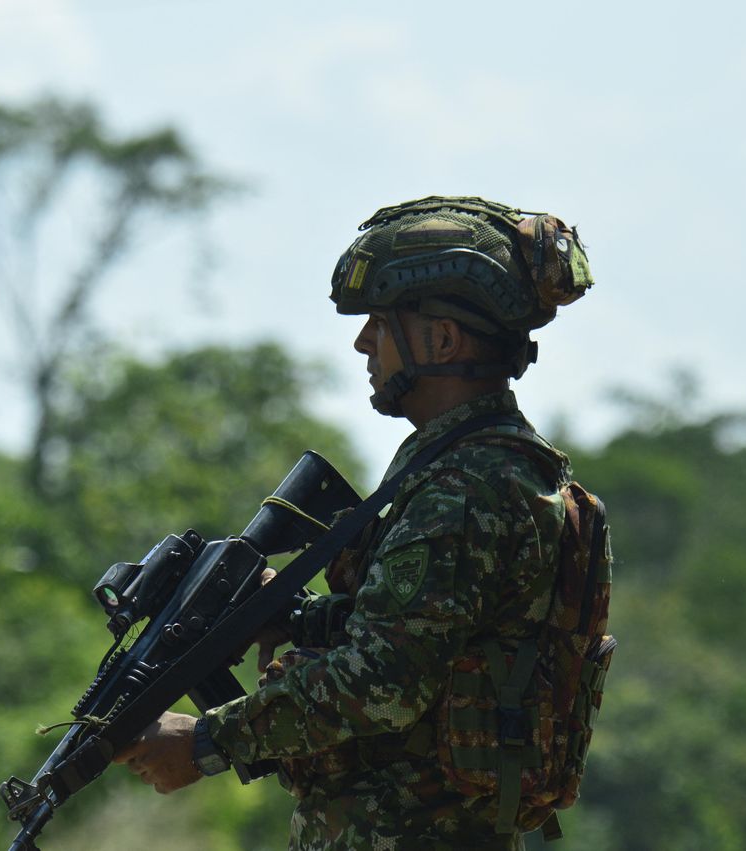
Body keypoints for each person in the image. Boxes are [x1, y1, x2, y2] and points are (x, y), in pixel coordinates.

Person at [114, 196, 602, 849]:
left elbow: (386, 681)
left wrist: (205, 740)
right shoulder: (474, 468)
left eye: (381, 321)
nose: (362, 341)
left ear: (443, 339)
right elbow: (436, 637)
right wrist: (292, 616)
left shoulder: (463, 488)